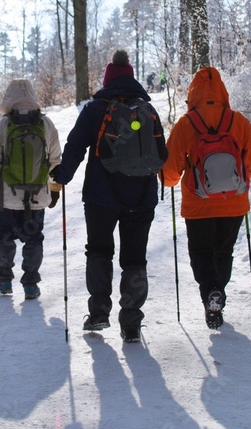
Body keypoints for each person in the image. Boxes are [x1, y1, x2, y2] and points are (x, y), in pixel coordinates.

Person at [51, 50, 167, 342]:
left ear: (106, 79)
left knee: (100, 251)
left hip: (101, 197)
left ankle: (99, 313)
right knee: (135, 258)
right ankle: (131, 321)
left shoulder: (94, 109)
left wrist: (62, 176)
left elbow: (76, 146)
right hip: (141, 197)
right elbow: (162, 154)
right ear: (131, 77)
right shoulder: (147, 110)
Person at [161, 66, 251, 329]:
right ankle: (216, 295)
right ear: (222, 92)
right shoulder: (238, 121)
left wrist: (168, 181)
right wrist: (243, 178)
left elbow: (170, 170)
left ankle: (211, 294)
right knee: (223, 252)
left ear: (192, 94)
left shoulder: (186, 124)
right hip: (234, 204)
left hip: (198, 204)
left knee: (201, 253)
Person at [0, 79, 62, 300]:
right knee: (34, 238)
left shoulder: (4, 124)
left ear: (8, 98)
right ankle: (31, 285)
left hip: (8, 197)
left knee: (5, 237)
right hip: (37, 195)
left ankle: (4, 281)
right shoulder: (46, 124)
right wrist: (55, 188)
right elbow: (55, 160)